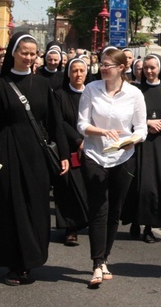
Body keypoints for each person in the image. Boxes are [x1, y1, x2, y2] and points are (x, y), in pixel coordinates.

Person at [0, 32, 69, 286]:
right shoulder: (0, 84)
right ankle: (14, 264)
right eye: (24, 52)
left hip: (36, 155)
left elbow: (55, 123)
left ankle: (31, 259)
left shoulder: (42, 85)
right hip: (6, 154)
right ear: (14, 53)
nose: (29, 57)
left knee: (36, 207)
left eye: (32, 53)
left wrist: (63, 153)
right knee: (10, 207)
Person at [77, 47, 147, 287]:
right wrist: (101, 131)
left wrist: (129, 141)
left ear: (121, 68)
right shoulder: (91, 89)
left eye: (108, 65)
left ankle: (105, 258)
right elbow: (81, 124)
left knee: (115, 211)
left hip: (123, 157)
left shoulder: (134, 94)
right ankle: (96, 263)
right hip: (95, 155)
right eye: (101, 64)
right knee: (99, 209)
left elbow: (141, 129)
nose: (103, 68)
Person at [123, 54, 161, 244]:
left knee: (153, 187)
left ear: (159, 69)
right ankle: (134, 221)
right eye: (145, 68)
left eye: (153, 68)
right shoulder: (133, 91)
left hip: (158, 146)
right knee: (136, 185)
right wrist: (146, 122)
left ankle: (148, 227)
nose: (149, 71)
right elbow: (124, 116)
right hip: (138, 144)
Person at [53, 58, 90, 246]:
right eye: (74, 71)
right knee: (68, 188)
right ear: (68, 73)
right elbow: (59, 122)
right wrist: (78, 140)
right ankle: (70, 228)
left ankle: (87, 221)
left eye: (81, 71)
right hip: (68, 146)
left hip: (92, 146)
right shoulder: (60, 95)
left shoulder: (93, 94)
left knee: (88, 187)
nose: (78, 74)